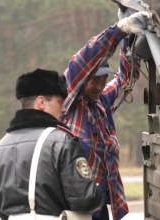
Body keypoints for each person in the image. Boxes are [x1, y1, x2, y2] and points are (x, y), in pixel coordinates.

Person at [62, 11, 154, 220]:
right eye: (95, 79)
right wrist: (119, 30)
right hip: (75, 207)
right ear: (83, 78)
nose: (101, 85)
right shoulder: (69, 104)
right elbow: (83, 60)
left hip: (98, 203)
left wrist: (130, 41)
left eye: (104, 79)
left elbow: (125, 80)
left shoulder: (101, 103)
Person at [0, 69, 103, 220]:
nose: (64, 109)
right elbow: (86, 199)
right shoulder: (62, 141)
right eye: (60, 102)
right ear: (41, 102)